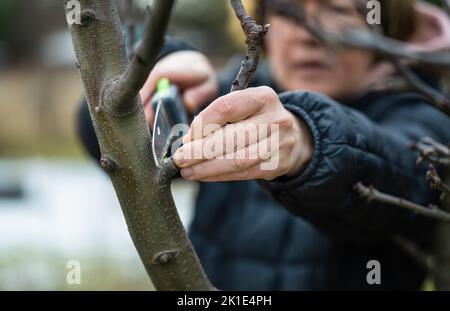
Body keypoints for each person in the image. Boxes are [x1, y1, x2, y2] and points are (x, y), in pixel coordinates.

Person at [78, 0, 450, 290]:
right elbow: (101, 137)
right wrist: (160, 73)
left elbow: (405, 173)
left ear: (386, 26)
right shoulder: (239, 91)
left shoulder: (425, 113)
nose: (309, 34)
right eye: (287, 11)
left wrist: (308, 142)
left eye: (337, 10)